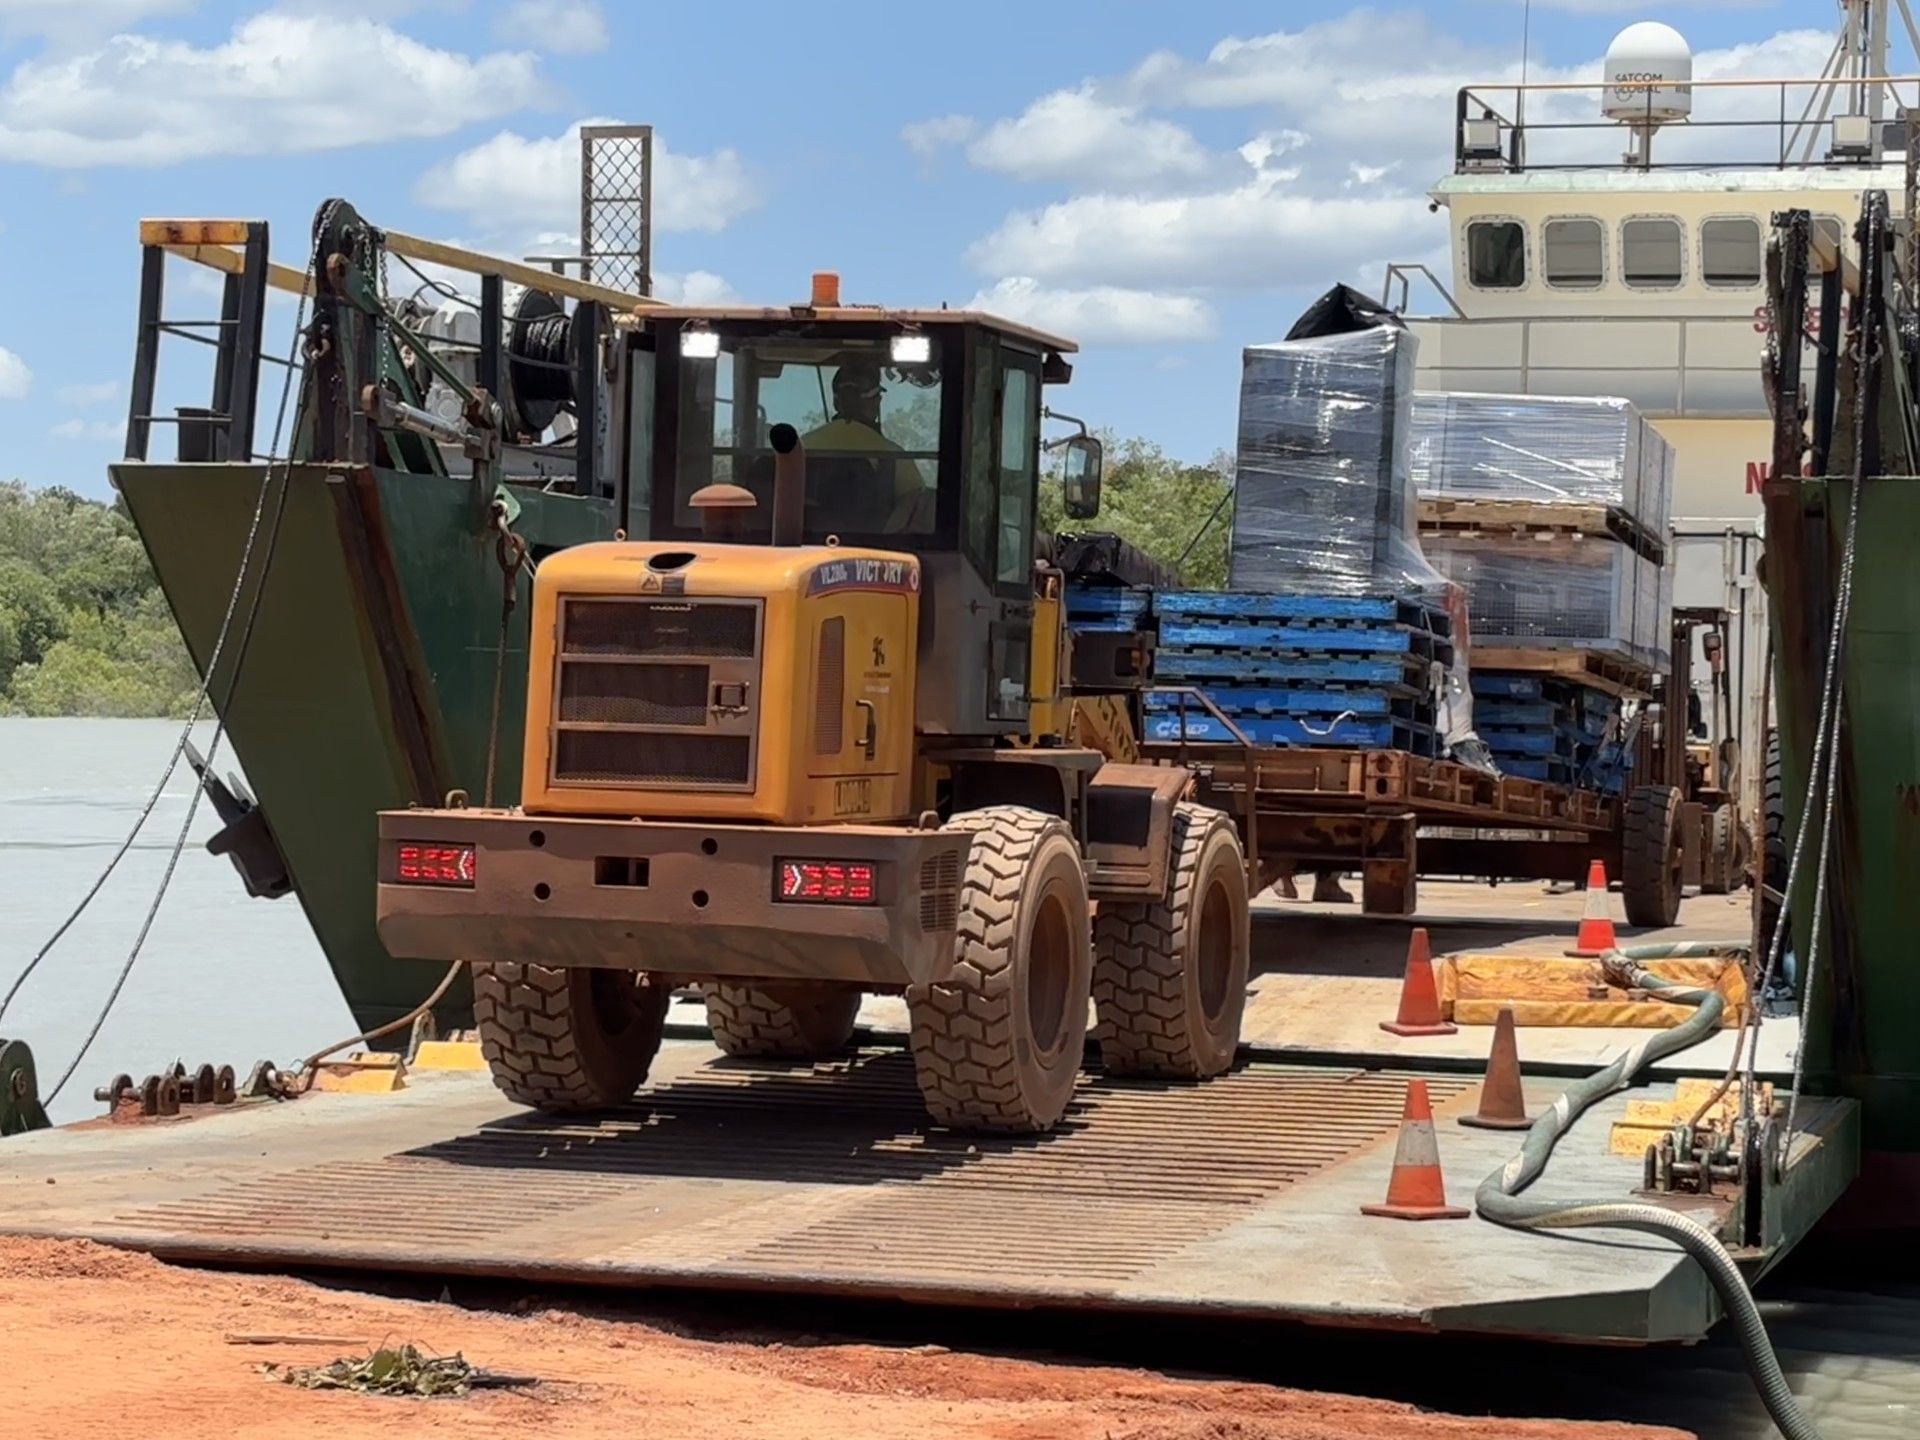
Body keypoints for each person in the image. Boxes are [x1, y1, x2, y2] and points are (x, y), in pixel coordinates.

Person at [802, 358, 931, 532]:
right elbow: (916, 503)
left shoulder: (802, 447)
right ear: (875, 401)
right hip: (879, 550)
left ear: (835, 402)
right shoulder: (893, 455)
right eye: (878, 397)